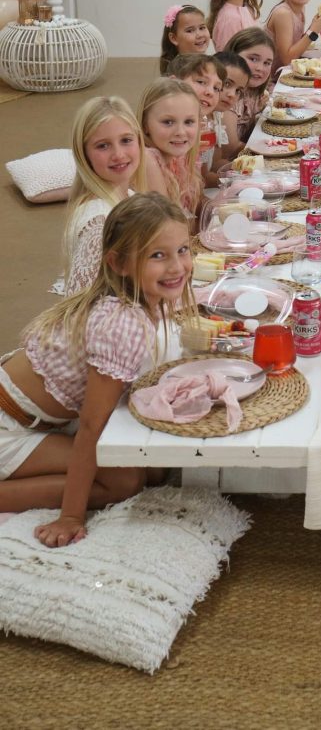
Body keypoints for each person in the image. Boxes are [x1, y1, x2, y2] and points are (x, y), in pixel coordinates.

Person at [0, 193, 196, 546]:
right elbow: (93, 425)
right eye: (157, 256)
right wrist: (71, 516)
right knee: (124, 482)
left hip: (28, 413)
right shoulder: (121, 324)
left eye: (183, 250)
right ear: (118, 263)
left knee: (152, 465)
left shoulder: (138, 298)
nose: (177, 267)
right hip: (7, 427)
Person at [63, 97, 147, 296]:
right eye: (103, 146)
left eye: (126, 140)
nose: (118, 154)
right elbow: (78, 309)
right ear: (84, 154)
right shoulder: (99, 223)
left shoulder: (130, 196)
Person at [137, 78, 202, 216]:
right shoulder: (149, 160)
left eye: (188, 122)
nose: (180, 132)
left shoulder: (177, 157)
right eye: (168, 122)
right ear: (145, 125)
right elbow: (168, 224)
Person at [166, 54, 226, 183]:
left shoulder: (204, 127)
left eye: (217, 88)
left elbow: (201, 180)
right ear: (173, 83)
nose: (210, 92)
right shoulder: (165, 133)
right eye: (201, 82)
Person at [227, 27, 277, 144]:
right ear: (233, 55)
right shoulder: (229, 97)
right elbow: (230, 149)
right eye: (253, 59)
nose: (260, 68)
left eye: (267, 63)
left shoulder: (254, 92)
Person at [211, 51, 251, 163]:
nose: (232, 94)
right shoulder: (200, 122)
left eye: (238, 90)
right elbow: (204, 175)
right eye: (227, 84)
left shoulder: (217, 115)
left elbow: (216, 163)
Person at [159, 4, 210, 74]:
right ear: (174, 38)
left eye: (202, 28)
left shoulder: (212, 65)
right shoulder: (178, 74)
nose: (199, 35)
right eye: (190, 31)